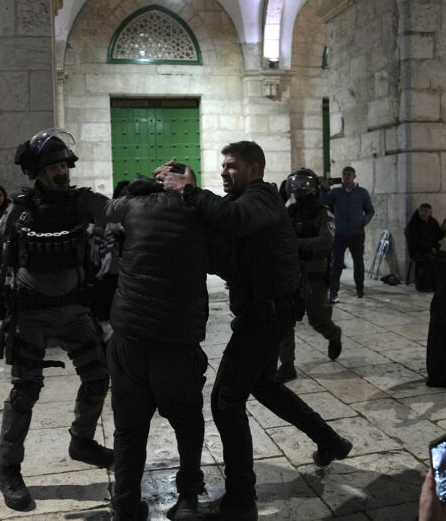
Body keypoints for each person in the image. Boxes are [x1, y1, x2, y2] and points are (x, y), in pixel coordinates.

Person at [157, 141, 353, 520]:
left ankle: (241, 502)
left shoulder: (261, 195)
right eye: (223, 166)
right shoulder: (243, 201)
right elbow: (227, 242)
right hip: (264, 313)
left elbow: (235, 221)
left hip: (266, 317)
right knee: (263, 385)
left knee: (226, 402)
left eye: (231, 166)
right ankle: (330, 440)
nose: (224, 172)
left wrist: (189, 190)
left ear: (254, 169)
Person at [0, 129, 113, 511]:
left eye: (63, 165)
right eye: (53, 167)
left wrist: (142, 198)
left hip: (74, 311)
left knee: (98, 377)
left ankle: (82, 441)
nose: (61, 172)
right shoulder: (20, 209)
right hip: (30, 313)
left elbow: (114, 212)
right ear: (37, 172)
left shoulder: (81, 201)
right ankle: (9, 468)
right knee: (25, 392)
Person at [105, 172, 233, 520]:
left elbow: (102, 208)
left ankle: (125, 504)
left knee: (128, 429)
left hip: (129, 337)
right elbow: (226, 262)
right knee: (187, 422)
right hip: (176, 341)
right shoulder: (198, 212)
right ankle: (188, 498)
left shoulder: (131, 207)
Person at [277, 168, 342, 383]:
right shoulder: (290, 210)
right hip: (290, 272)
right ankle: (287, 364)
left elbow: (326, 240)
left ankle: (333, 334)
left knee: (317, 319)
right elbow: (272, 223)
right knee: (285, 320)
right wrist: (280, 197)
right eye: (295, 184)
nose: (299, 188)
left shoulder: (323, 212)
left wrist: (296, 244)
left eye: (304, 184)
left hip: (314, 272)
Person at [324, 166, 374, 303]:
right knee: (337, 264)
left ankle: (360, 290)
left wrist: (363, 221)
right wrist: (325, 189)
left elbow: (370, 210)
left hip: (357, 234)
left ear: (354, 176)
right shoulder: (336, 192)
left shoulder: (362, 193)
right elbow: (323, 203)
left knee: (358, 263)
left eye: (349, 174)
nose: (347, 177)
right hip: (340, 234)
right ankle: (334, 293)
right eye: (344, 174)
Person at [88, 180, 128, 321]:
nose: (125, 194)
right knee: (104, 283)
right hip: (105, 253)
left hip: (116, 254)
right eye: (122, 191)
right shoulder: (107, 211)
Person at [405, 203, 446, 292]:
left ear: (430, 212)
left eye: (426, 211)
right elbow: (414, 242)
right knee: (430, 260)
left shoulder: (432, 222)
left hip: (432, 250)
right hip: (417, 251)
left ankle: (445, 283)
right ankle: (425, 286)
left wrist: (443, 230)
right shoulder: (413, 224)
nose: (423, 213)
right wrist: (429, 249)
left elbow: (438, 237)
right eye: (422, 210)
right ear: (418, 211)